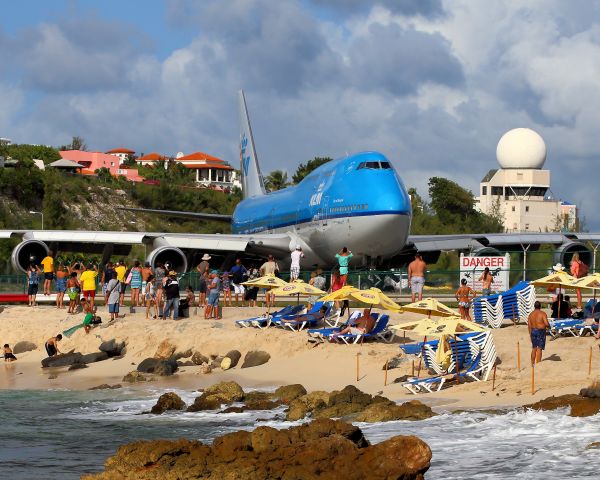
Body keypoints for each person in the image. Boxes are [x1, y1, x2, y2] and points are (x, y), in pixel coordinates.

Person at [528, 301, 550, 365]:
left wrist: (530, 334)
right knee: (539, 348)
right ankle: (538, 364)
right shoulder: (542, 313)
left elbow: (529, 325)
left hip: (533, 331)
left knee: (534, 348)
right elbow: (546, 323)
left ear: (534, 306)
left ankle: (532, 364)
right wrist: (549, 326)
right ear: (540, 306)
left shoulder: (530, 314)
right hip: (540, 331)